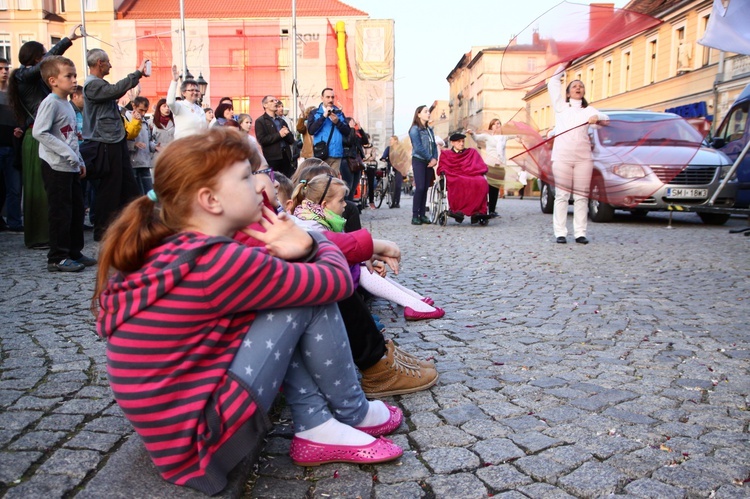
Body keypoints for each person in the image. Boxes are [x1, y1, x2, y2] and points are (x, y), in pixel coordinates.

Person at [93, 127, 404, 494]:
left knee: (289, 290)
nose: (260, 185)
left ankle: (319, 420)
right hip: (198, 440)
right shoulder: (216, 260)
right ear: (210, 200)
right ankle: (349, 413)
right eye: (245, 177)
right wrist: (307, 241)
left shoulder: (183, 244)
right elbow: (334, 283)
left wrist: (304, 248)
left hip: (173, 426)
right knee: (308, 294)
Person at [292, 173, 446, 321]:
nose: (345, 204)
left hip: (321, 279)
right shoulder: (310, 222)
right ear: (324, 205)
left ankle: (411, 298)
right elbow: (335, 248)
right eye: (341, 201)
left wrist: (371, 256)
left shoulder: (314, 216)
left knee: (360, 265)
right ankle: (412, 303)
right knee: (358, 267)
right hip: (319, 285)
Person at [8, 26, 83, 247]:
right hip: (38, 138)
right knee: (42, 192)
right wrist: (67, 39)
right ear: (35, 58)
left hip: (47, 137)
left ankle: (57, 239)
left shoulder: (41, 86)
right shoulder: (24, 75)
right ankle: (44, 238)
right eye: (43, 55)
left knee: (55, 196)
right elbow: (47, 66)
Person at [32, 56, 96, 272]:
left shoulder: (67, 104)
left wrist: (78, 160)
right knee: (61, 212)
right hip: (55, 166)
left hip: (70, 166)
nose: (74, 80)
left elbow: (71, 136)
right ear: (53, 80)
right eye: (68, 76)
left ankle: (73, 251)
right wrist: (68, 154)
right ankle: (57, 257)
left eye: (75, 75)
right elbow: (39, 132)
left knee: (77, 210)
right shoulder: (50, 103)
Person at [82, 49, 146, 242]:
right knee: (109, 188)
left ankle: (136, 224)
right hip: (105, 143)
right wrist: (136, 74)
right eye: (108, 62)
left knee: (128, 186)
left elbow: (114, 94)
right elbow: (115, 90)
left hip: (114, 142)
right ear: (100, 63)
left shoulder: (98, 85)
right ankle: (103, 229)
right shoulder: (92, 85)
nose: (110, 65)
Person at [548, 67, 608, 244]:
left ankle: (580, 232)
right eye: (574, 86)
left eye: (581, 86)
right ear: (567, 93)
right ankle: (560, 232)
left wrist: (597, 117)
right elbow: (552, 82)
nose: (578, 88)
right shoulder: (561, 107)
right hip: (561, 157)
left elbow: (606, 119)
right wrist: (563, 65)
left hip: (583, 158)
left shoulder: (588, 110)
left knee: (582, 196)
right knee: (562, 195)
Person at [436, 133, 489, 224]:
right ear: (452, 143)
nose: (461, 144)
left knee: (481, 181)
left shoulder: (472, 152)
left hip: (471, 174)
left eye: (463, 141)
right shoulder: (446, 154)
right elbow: (442, 167)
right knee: (457, 181)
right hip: (455, 175)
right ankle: (457, 210)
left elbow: (480, 165)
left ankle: (477, 211)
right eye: (459, 141)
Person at [467, 118, 510, 216]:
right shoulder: (487, 136)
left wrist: (520, 136)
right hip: (490, 165)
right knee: (488, 187)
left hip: (500, 166)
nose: (497, 125)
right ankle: (483, 207)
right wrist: (472, 133)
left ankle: (492, 210)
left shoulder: (504, 137)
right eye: (494, 124)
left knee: (496, 189)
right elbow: (477, 138)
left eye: (499, 123)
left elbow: (515, 135)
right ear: (491, 127)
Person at [0, 57, 24, 233]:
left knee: (15, 188)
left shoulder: (13, 95)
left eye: (6, 68)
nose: (4, 72)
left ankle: (15, 222)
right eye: (1, 68)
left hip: (13, 146)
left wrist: (21, 129)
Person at [307, 88, 350, 172]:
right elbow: (311, 130)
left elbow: (347, 132)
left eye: (332, 97)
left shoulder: (339, 113)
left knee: (333, 182)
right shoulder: (315, 113)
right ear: (322, 98)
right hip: (322, 154)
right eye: (328, 97)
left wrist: (337, 122)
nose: (331, 100)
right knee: (321, 181)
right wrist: (324, 116)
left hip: (336, 154)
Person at [408, 105, 438, 225]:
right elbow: (418, 147)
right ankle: (415, 215)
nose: (428, 113)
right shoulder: (415, 129)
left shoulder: (429, 130)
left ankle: (422, 215)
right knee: (420, 187)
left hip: (429, 162)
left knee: (425, 188)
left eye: (428, 112)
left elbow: (434, 145)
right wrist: (430, 158)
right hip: (419, 160)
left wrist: (435, 158)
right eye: (425, 112)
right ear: (418, 114)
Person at [255, 95, 295, 178]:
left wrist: (286, 134)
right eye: (272, 101)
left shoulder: (281, 121)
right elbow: (262, 140)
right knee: (274, 181)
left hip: (286, 157)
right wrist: (279, 135)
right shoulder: (260, 121)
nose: (275, 102)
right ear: (265, 105)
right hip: (272, 158)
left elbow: (291, 140)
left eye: (276, 100)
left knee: (287, 182)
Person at [167, 65, 207, 140]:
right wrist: (174, 81)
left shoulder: (200, 109)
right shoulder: (179, 106)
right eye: (191, 90)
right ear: (183, 93)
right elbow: (170, 102)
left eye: (196, 90)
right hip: (184, 147)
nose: (194, 92)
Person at [126, 96, 155, 195]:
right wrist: (133, 144)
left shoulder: (145, 122)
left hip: (144, 161)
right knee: (136, 193)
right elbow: (122, 139)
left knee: (149, 192)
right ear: (134, 106)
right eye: (141, 110)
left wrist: (154, 146)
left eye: (145, 111)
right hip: (132, 162)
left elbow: (148, 141)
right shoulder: (126, 119)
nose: (143, 113)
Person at [380, 136, 404, 209]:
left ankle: (397, 202)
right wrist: (383, 158)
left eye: (391, 140)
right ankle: (390, 194)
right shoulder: (388, 148)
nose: (390, 141)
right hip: (391, 167)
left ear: (396, 141)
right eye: (389, 140)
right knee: (390, 182)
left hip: (399, 168)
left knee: (398, 185)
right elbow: (384, 155)